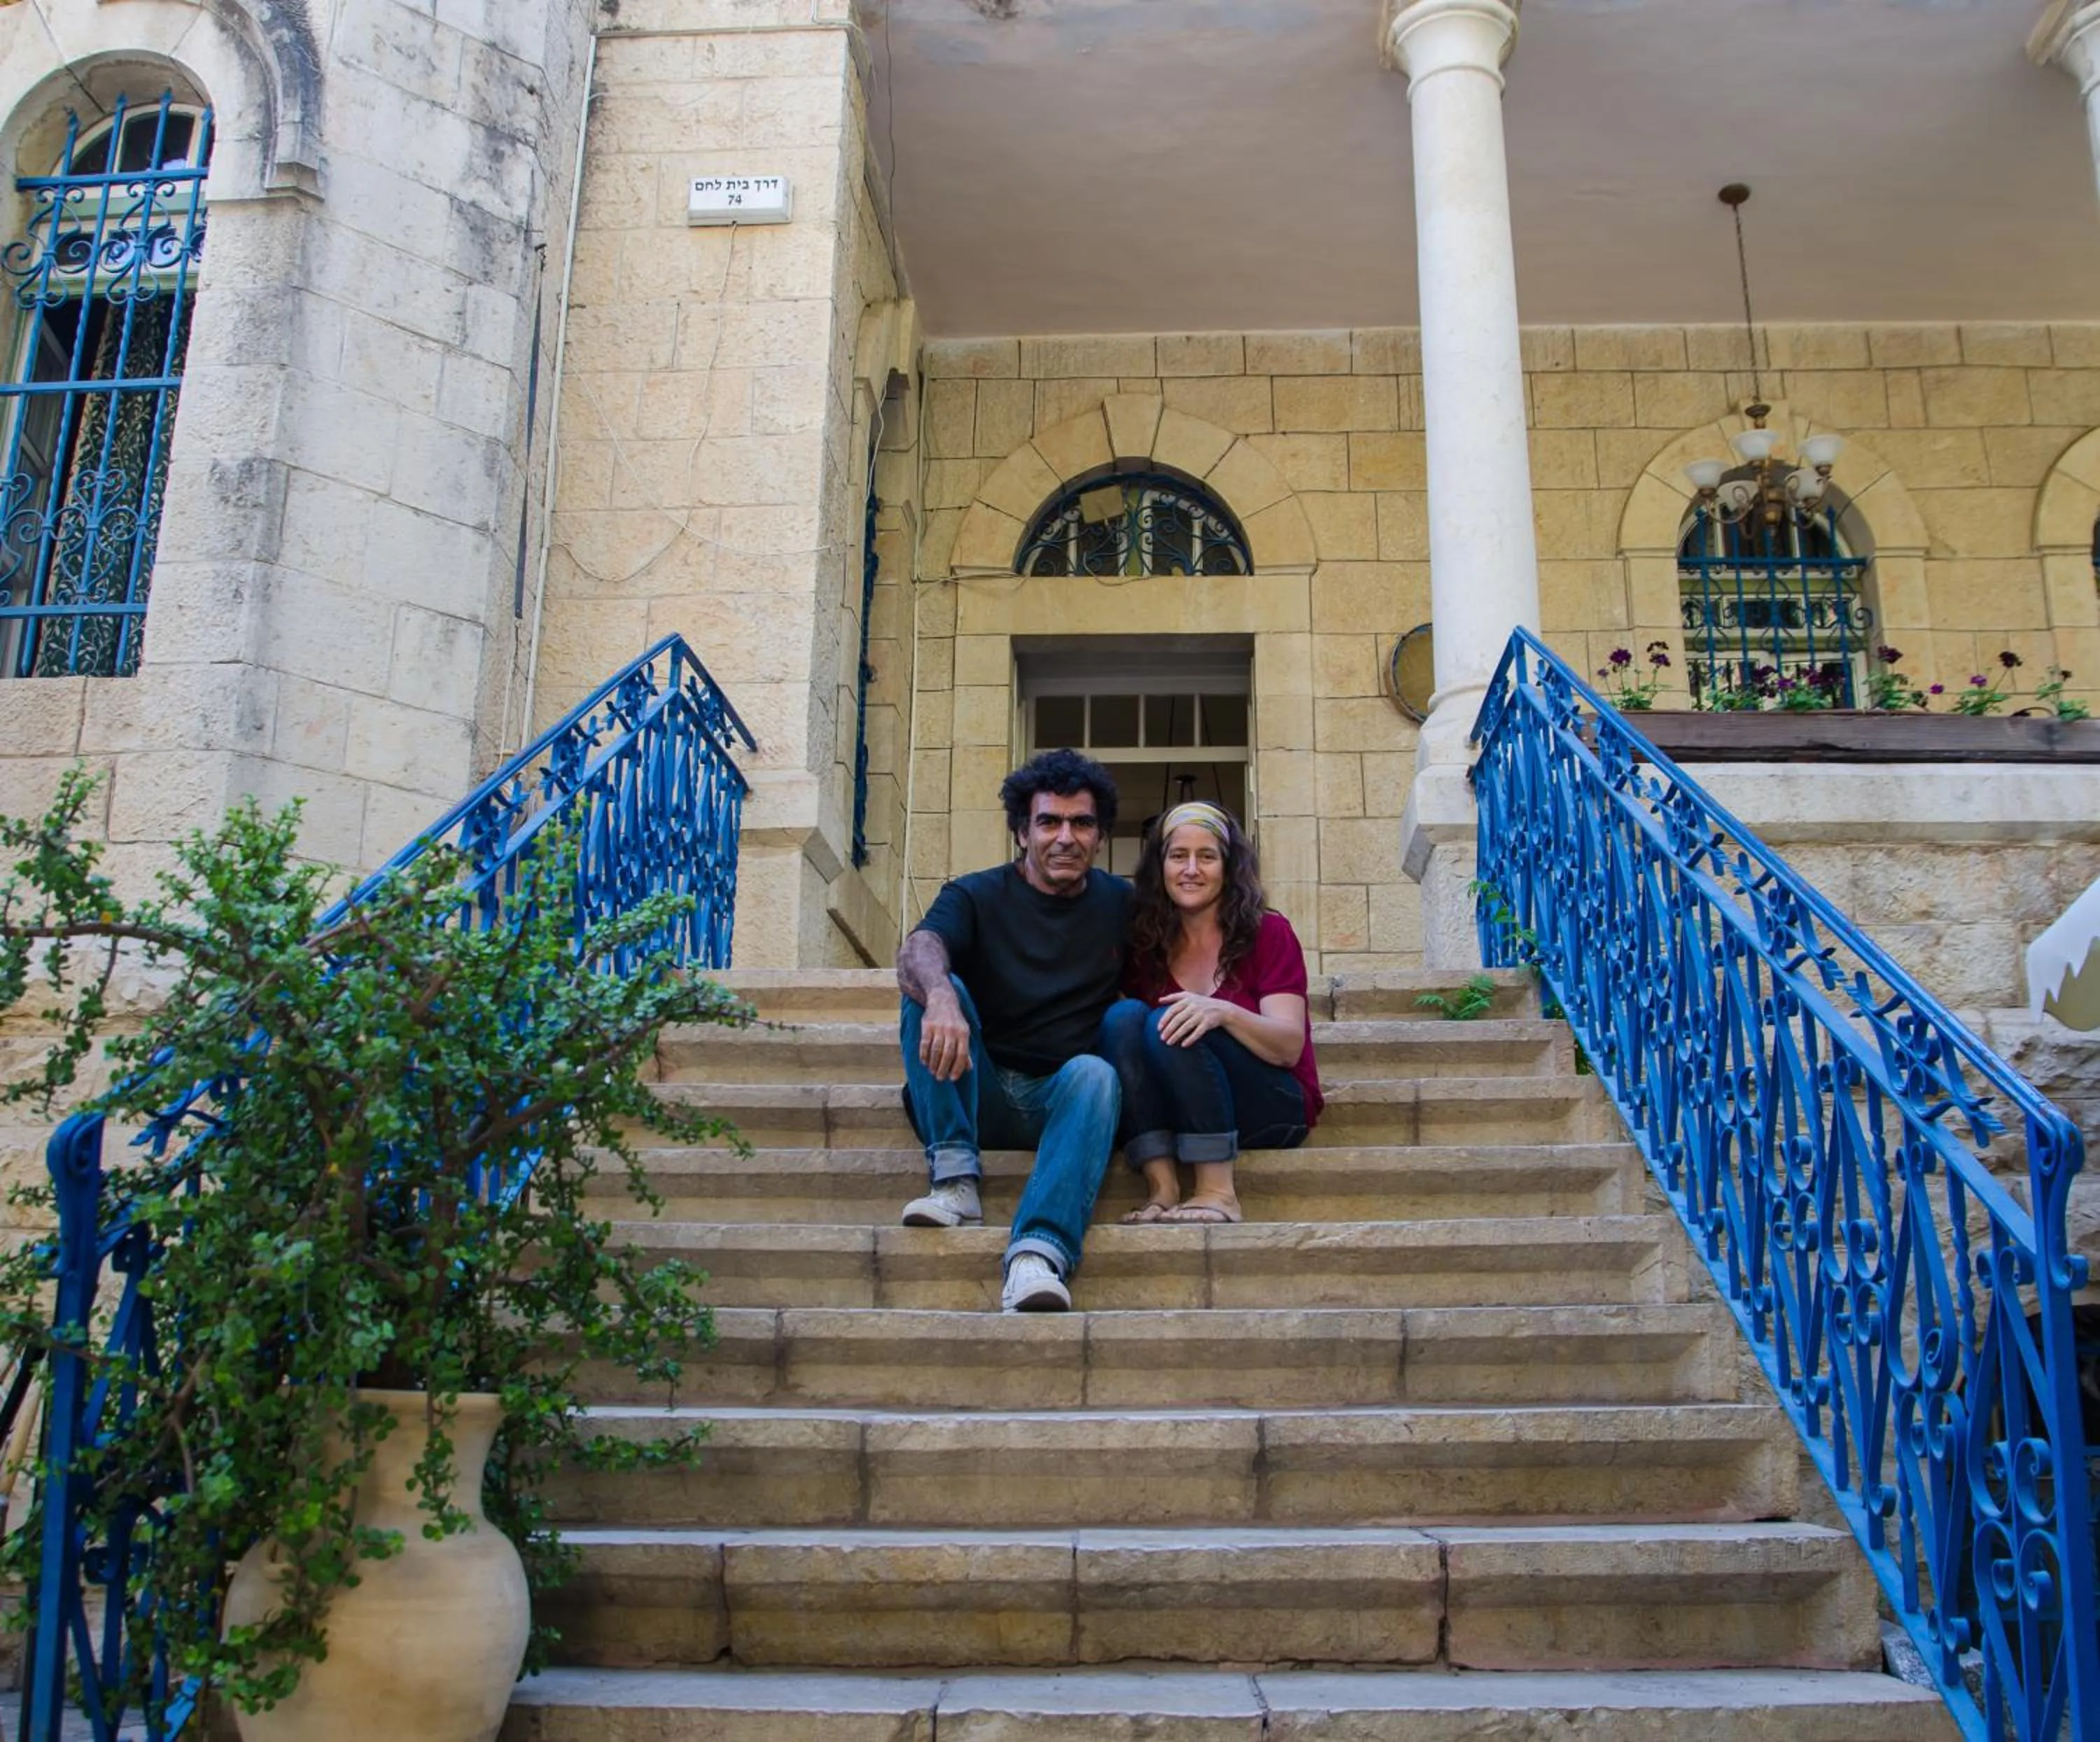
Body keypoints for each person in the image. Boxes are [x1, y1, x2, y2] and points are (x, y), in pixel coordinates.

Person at [895, 748, 1129, 1312]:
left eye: (1082, 823)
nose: (1065, 837)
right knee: (927, 988)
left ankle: (1038, 1254)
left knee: (1096, 1074)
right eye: (1049, 822)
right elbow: (918, 950)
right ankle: (954, 1179)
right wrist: (943, 997)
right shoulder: (975, 894)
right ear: (1022, 832)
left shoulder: (1125, 904)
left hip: (1062, 1104)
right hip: (980, 1090)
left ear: (1100, 837)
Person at [1098, 800, 1322, 1224]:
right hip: (1186, 1109)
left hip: (1270, 1108)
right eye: (1178, 856)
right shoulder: (1147, 945)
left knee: (1178, 1020)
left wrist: (1223, 1013)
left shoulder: (1268, 932)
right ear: (1159, 867)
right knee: (1122, 1019)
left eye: (1207, 857)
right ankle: (1162, 1187)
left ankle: (1218, 1192)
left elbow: (1289, 1047)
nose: (1191, 870)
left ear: (1229, 866)